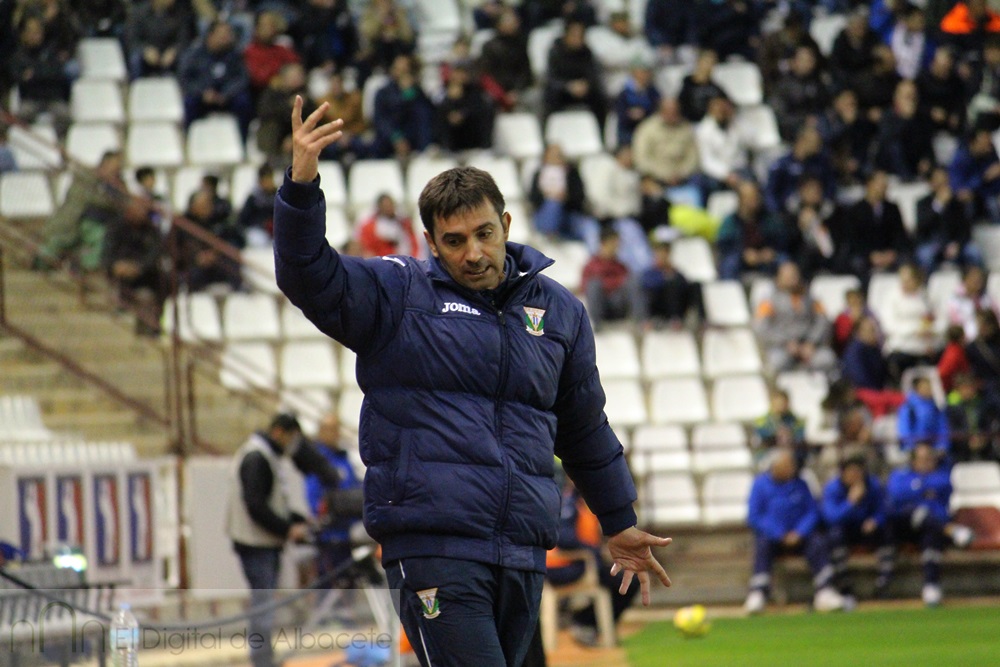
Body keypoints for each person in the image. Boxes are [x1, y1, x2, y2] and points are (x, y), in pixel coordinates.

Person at [273, 98, 672, 667]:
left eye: (484, 233)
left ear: (506, 226)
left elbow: (583, 429)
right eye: (455, 241)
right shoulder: (397, 294)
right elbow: (307, 275)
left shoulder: (560, 312)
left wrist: (619, 522)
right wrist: (300, 188)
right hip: (432, 549)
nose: (474, 253)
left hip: (522, 551)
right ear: (431, 243)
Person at [226, 413, 341, 667]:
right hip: (255, 544)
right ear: (279, 432)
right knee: (263, 606)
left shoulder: (266, 456)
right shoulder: (257, 458)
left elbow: (273, 503)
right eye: (291, 438)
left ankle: (264, 658)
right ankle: (262, 660)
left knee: (265, 606)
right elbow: (256, 506)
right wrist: (288, 529)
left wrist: (296, 521)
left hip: (263, 543)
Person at [744, 448, 844, 614]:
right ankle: (758, 593)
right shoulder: (760, 485)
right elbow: (755, 516)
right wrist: (779, 533)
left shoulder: (801, 484)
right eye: (788, 465)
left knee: (818, 542)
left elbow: (812, 511)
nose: (792, 469)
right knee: (762, 544)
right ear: (775, 466)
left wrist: (800, 532)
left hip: (800, 536)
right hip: (774, 537)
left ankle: (825, 590)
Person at [546, 476, 638, 647]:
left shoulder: (586, 503)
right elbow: (563, 537)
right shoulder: (569, 503)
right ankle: (584, 622)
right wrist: (592, 551)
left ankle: (584, 620)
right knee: (627, 582)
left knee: (627, 580)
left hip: (580, 562)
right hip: (563, 566)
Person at [885, 442, 974, 607]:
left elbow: (945, 489)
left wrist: (916, 489)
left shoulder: (941, 476)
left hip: (930, 527)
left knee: (931, 535)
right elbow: (896, 496)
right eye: (923, 459)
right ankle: (952, 531)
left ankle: (931, 586)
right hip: (903, 526)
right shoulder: (899, 476)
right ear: (913, 461)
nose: (927, 463)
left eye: (930, 459)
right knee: (918, 512)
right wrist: (922, 491)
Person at [35, 151, 127, 271]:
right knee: (54, 244)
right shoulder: (86, 177)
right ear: (105, 163)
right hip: (71, 221)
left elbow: (123, 202)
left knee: (99, 239)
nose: (117, 169)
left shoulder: (118, 183)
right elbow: (87, 198)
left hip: (97, 223)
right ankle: (41, 265)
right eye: (115, 164)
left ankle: (88, 269)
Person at [821, 456, 893, 604]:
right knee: (835, 534)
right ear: (843, 473)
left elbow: (885, 509)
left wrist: (875, 520)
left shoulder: (873, 485)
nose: (855, 476)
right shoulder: (833, 488)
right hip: (845, 529)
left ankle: (884, 581)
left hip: (866, 529)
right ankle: (844, 584)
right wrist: (851, 502)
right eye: (851, 472)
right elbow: (831, 518)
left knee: (887, 530)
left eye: (858, 472)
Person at [305, 413, 363, 584]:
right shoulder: (317, 460)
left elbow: (354, 488)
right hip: (327, 536)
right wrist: (322, 515)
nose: (335, 434)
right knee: (329, 584)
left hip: (347, 534)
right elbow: (313, 494)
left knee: (348, 582)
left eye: (337, 429)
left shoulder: (343, 459)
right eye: (330, 429)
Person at [754, 262, 836, 373]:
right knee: (777, 362)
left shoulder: (811, 298)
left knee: (827, 359)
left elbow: (823, 321)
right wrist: (785, 342)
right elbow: (761, 328)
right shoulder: (768, 301)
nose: (792, 279)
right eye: (787, 276)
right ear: (778, 278)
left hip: (809, 346)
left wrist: (811, 342)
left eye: (794, 275)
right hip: (782, 348)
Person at [178, 20, 253, 140]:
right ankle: (190, 140)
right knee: (189, 103)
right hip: (202, 97)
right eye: (223, 34)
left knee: (243, 102)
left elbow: (242, 78)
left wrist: (226, 94)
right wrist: (202, 92)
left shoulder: (235, 55)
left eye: (228, 34)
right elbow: (185, 79)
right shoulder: (194, 55)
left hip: (227, 98)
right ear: (210, 35)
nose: (227, 38)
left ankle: (242, 141)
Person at [102, 196, 165, 336]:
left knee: (147, 296)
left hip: (144, 278)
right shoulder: (115, 227)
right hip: (120, 277)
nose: (142, 213)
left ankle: (148, 333)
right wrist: (116, 266)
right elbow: (107, 255)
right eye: (139, 209)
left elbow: (155, 254)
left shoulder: (152, 231)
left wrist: (138, 267)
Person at [842, 170, 910, 283]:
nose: (884, 187)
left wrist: (891, 253)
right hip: (865, 255)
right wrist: (871, 255)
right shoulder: (855, 211)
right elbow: (853, 239)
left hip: (889, 254)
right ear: (869, 184)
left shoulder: (892, 209)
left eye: (885, 184)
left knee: (906, 261)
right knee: (856, 263)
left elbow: (900, 235)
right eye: (880, 183)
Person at [529, 143, 599, 250]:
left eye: (559, 155)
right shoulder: (538, 174)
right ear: (545, 157)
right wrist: (547, 195)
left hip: (568, 217)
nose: (557, 158)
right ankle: (549, 240)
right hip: (545, 217)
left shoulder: (572, 173)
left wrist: (566, 197)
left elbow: (580, 197)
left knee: (590, 227)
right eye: (553, 155)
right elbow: (533, 199)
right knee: (553, 204)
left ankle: (597, 257)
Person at [717, 181, 788, 280]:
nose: (754, 201)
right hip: (740, 258)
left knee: (785, 261)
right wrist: (743, 254)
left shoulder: (769, 218)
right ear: (741, 200)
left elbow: (781, 239)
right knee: (729, 264)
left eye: (756, 196)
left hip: (766, 257)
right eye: (749, 198)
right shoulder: (730, 221)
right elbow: (724, 245)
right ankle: (728, 288)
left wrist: (771, 251)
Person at [915, 167, 979, 274]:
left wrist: (958, 244)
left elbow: (965, 230)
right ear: (931, 183)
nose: (943, 185)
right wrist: (939, 205)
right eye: (939, 181)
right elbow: (922, 227)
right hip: (932, 244)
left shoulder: (957, 203)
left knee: (974, 253)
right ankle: (926, 282)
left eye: (945, 181)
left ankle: (974, 283)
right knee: (925, 256)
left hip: (954, 244)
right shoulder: (923, 203)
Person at [883, 264, 940, 383]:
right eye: (902, 280)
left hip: (926, 346)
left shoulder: (927, 296)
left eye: (908, 280)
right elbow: (889, 325)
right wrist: (915, 330)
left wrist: (931, 330)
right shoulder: (892, 297)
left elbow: (939, 319)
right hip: (902, 346)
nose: (904, 284)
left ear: (917, 280)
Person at [372, 54, 434, 159]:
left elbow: (425, 115)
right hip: (390, 137)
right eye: (398, 69)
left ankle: (425, 152)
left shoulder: (417, 92)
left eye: (405, 70)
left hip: (412, 136)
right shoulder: (383, 93)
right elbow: (380, 120)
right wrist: (396, 137)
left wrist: (410, 93)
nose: (401, 73)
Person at [543, 20, 606, 124]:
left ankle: (600, 130)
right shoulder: (555, 52)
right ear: (566, 35)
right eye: (574, 35)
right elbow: (551, 78)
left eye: (580, 36)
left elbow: (593, 74)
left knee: (600, 96)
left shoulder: (587, 52)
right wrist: (568, 86)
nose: (577, 39)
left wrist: (585, 85)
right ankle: (548, 129)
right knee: (550, 95)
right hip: (562, 90)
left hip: (583, 90)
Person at [581, 228, 644, 331]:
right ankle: (597, 324)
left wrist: (608, 284)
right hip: (602, 304)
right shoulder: (591, 266)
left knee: (633, 281)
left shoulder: (621, 266)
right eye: (613, 244)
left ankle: (638, 322)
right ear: (603, 243)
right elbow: (585, 288)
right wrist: (613, 283)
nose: (616, 248)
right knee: (593, 284)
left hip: (619, 304)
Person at [632, 98, 700, 189]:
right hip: (655, 177)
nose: (672, 114)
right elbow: (641, 158)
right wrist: (664, 175)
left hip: (683, 177)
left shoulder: (686, 129)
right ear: (660, 111)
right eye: (668, 111)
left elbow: (693, 156)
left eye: (675, 111)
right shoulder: (646, 129)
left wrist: (681, 174)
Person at [124, 0, 192, 79]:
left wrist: (174, 50)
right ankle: (135, 84)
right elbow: (132, 38)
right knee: (135, 58)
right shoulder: (139, 13)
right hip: (147, 54)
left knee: (185, 58)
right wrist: (145, 49)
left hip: (169, 55)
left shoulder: (180, 13)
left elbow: (183, 39)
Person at [640, 239, 698, 328]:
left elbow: (684, 286)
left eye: (665, 253)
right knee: (669, 285)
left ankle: (697, 320)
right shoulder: (650, 272)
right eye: (659, 253)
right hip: (658, 307)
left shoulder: (676, 273)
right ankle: (673, 320)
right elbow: (648, 287)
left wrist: (671, 275)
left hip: (678, 306)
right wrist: (665, 278)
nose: (662, 256)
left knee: (696, 286)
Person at [949, 127, 1000, 224]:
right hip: (973, 200)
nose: (988, 143)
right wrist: (983, 177)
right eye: (983, 140)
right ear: (973, 143)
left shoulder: (990, 152)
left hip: (989, 193)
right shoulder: (960, 159)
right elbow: (959, 190)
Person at [243, 10, 300, 96]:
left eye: (272, 26)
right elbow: (257, 79)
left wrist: (282, 77)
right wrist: (276, 77)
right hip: (262, 94)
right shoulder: (250, 51)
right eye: (265, 26)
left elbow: (296, 64)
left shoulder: (281, 49)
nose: (270, 30)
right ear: (256, 29)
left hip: (287, 90)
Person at [947, 373, 1000, 463]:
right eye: (964, 388)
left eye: (970, 387)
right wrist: (968, 440)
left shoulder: (983, 405)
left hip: (985, 449)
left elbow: (989, 425)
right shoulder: (951, 408)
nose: (968, 391)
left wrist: (983, 439)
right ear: (958, 389)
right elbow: (951, 429)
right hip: (961, 452)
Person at [355, 193, 421, 259]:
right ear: (379, 207)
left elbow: (414, 244)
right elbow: (367, 249)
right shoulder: (369, 228)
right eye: (385, 206)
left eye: (391, 205)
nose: (389, 208)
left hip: (406, 260)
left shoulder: (404, 224)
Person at [753, 389, 807, 465]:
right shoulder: (762, 421)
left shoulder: (796, 421)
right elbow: (760, 437)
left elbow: (800, 437)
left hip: (792, 455)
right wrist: (776, 434)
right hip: (767, 455)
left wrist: (790, 434)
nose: (781, 406)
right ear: (772, 403)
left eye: (783, 403)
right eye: (778, 403)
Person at [898, 376, 951, 455]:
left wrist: (942, 446)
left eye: (929, 387)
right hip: (915, 448)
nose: (928, 390)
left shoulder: (936, 407)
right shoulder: (909, 407)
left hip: (934, 447)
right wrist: (911, 448)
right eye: (925, 387)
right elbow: (904, 428)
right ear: (917, 389)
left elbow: (942, 427)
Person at [945, 266, 998, 341]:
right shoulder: (955, 300)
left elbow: (996, 317)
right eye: (975, 279)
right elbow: (956, 325)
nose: (979, 282)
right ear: (965, 280)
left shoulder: (987, 298)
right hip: (966, 341)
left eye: (980, 279)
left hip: (988, 339)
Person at [615, 62, 661, 148]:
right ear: (634, 74)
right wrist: (630, 114)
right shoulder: (624, 93)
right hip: (629, 128)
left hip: (648, 126)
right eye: (640, 73)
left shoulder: (653, 92)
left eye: (645, 73)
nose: (643, 76)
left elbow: (657, 110)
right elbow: (621, 112)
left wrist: (644, 113)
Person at [678, 49, 727, 123]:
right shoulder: (687, 83)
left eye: (713, 63)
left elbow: (727, 103)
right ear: (698, 62)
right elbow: (680, 105)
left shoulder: (715, 86)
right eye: (707, 62)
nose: (710, 66)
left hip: (711, 124)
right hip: (689, 122)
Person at [236, 165, 278, 244]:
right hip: (257, 230)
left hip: (275, 230)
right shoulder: (253, 198)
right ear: (260, 181)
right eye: (265, 180)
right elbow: (243, 219)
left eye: (270, 179)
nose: (268, 183)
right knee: (260, 240)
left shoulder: (278, 195)